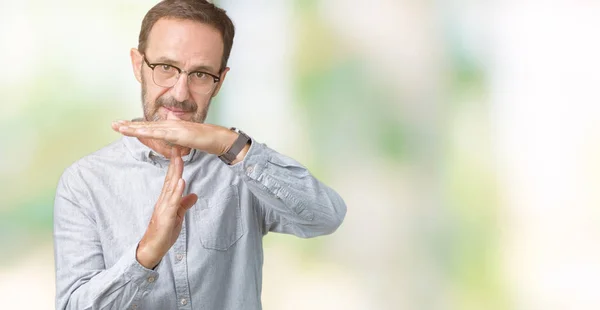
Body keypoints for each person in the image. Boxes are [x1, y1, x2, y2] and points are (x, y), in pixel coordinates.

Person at [52, 1, 346, 309]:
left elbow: (326, 217)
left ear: (220, 81)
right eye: (165, 67)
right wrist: (148, 251)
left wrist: (228, 143)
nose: (180, 93)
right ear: (138, 64)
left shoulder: (243, 166)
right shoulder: (85, 182)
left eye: (201, 74)